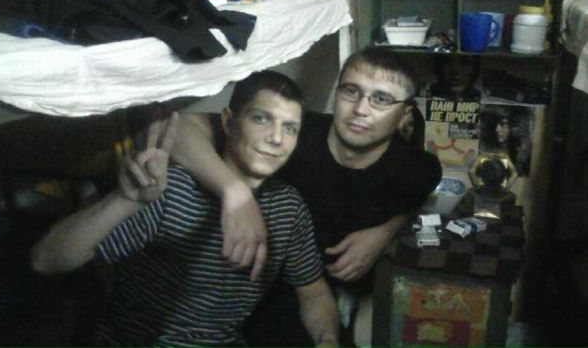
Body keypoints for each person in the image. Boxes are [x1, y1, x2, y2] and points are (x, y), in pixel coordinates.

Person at [30, 71, 341, 348]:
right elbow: (46, 260)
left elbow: (312, 289)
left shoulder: (288, 207)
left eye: (290, 128)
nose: (276, 138)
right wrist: (124, 200)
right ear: (228, 122)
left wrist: (327, 339)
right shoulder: (171, 189)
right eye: (261, 119)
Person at [172, 49, 442, 347]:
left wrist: (386, 232)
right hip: (268, 288)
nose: (360, 109)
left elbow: (417, 202)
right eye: (351, 91)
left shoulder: (416, 170)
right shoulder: (293, 134)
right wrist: (235, 194)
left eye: (381, 99)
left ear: (404, 115)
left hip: (336, 292)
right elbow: (177, 128)